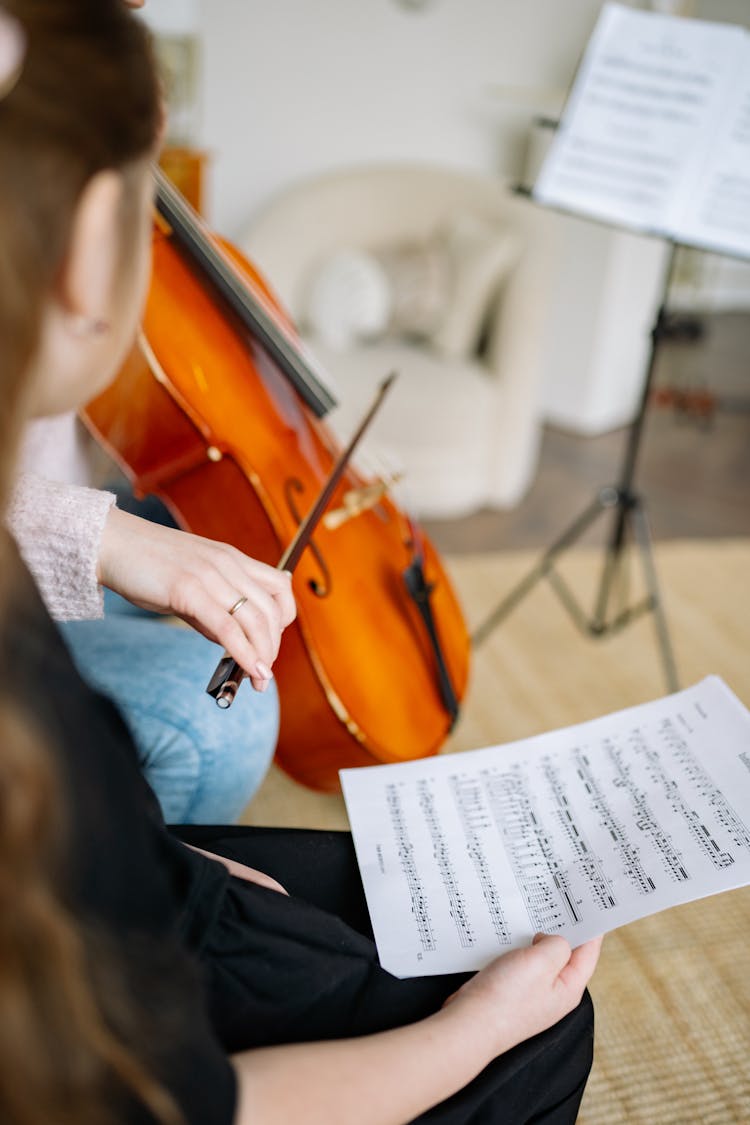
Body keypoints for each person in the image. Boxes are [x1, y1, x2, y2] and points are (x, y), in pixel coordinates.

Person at [0, 2, 602, 1123]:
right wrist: (476, 1032)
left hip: (134, 887)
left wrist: (184, 871)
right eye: (144, 201)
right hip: (158, 1020)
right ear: (87, 250)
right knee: (541, 1021)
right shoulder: (29, 715)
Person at [10, 418, 285, 823]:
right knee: (217, 721)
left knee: (216, 503)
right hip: (15, 571)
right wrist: (98, 538)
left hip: (46, 488)